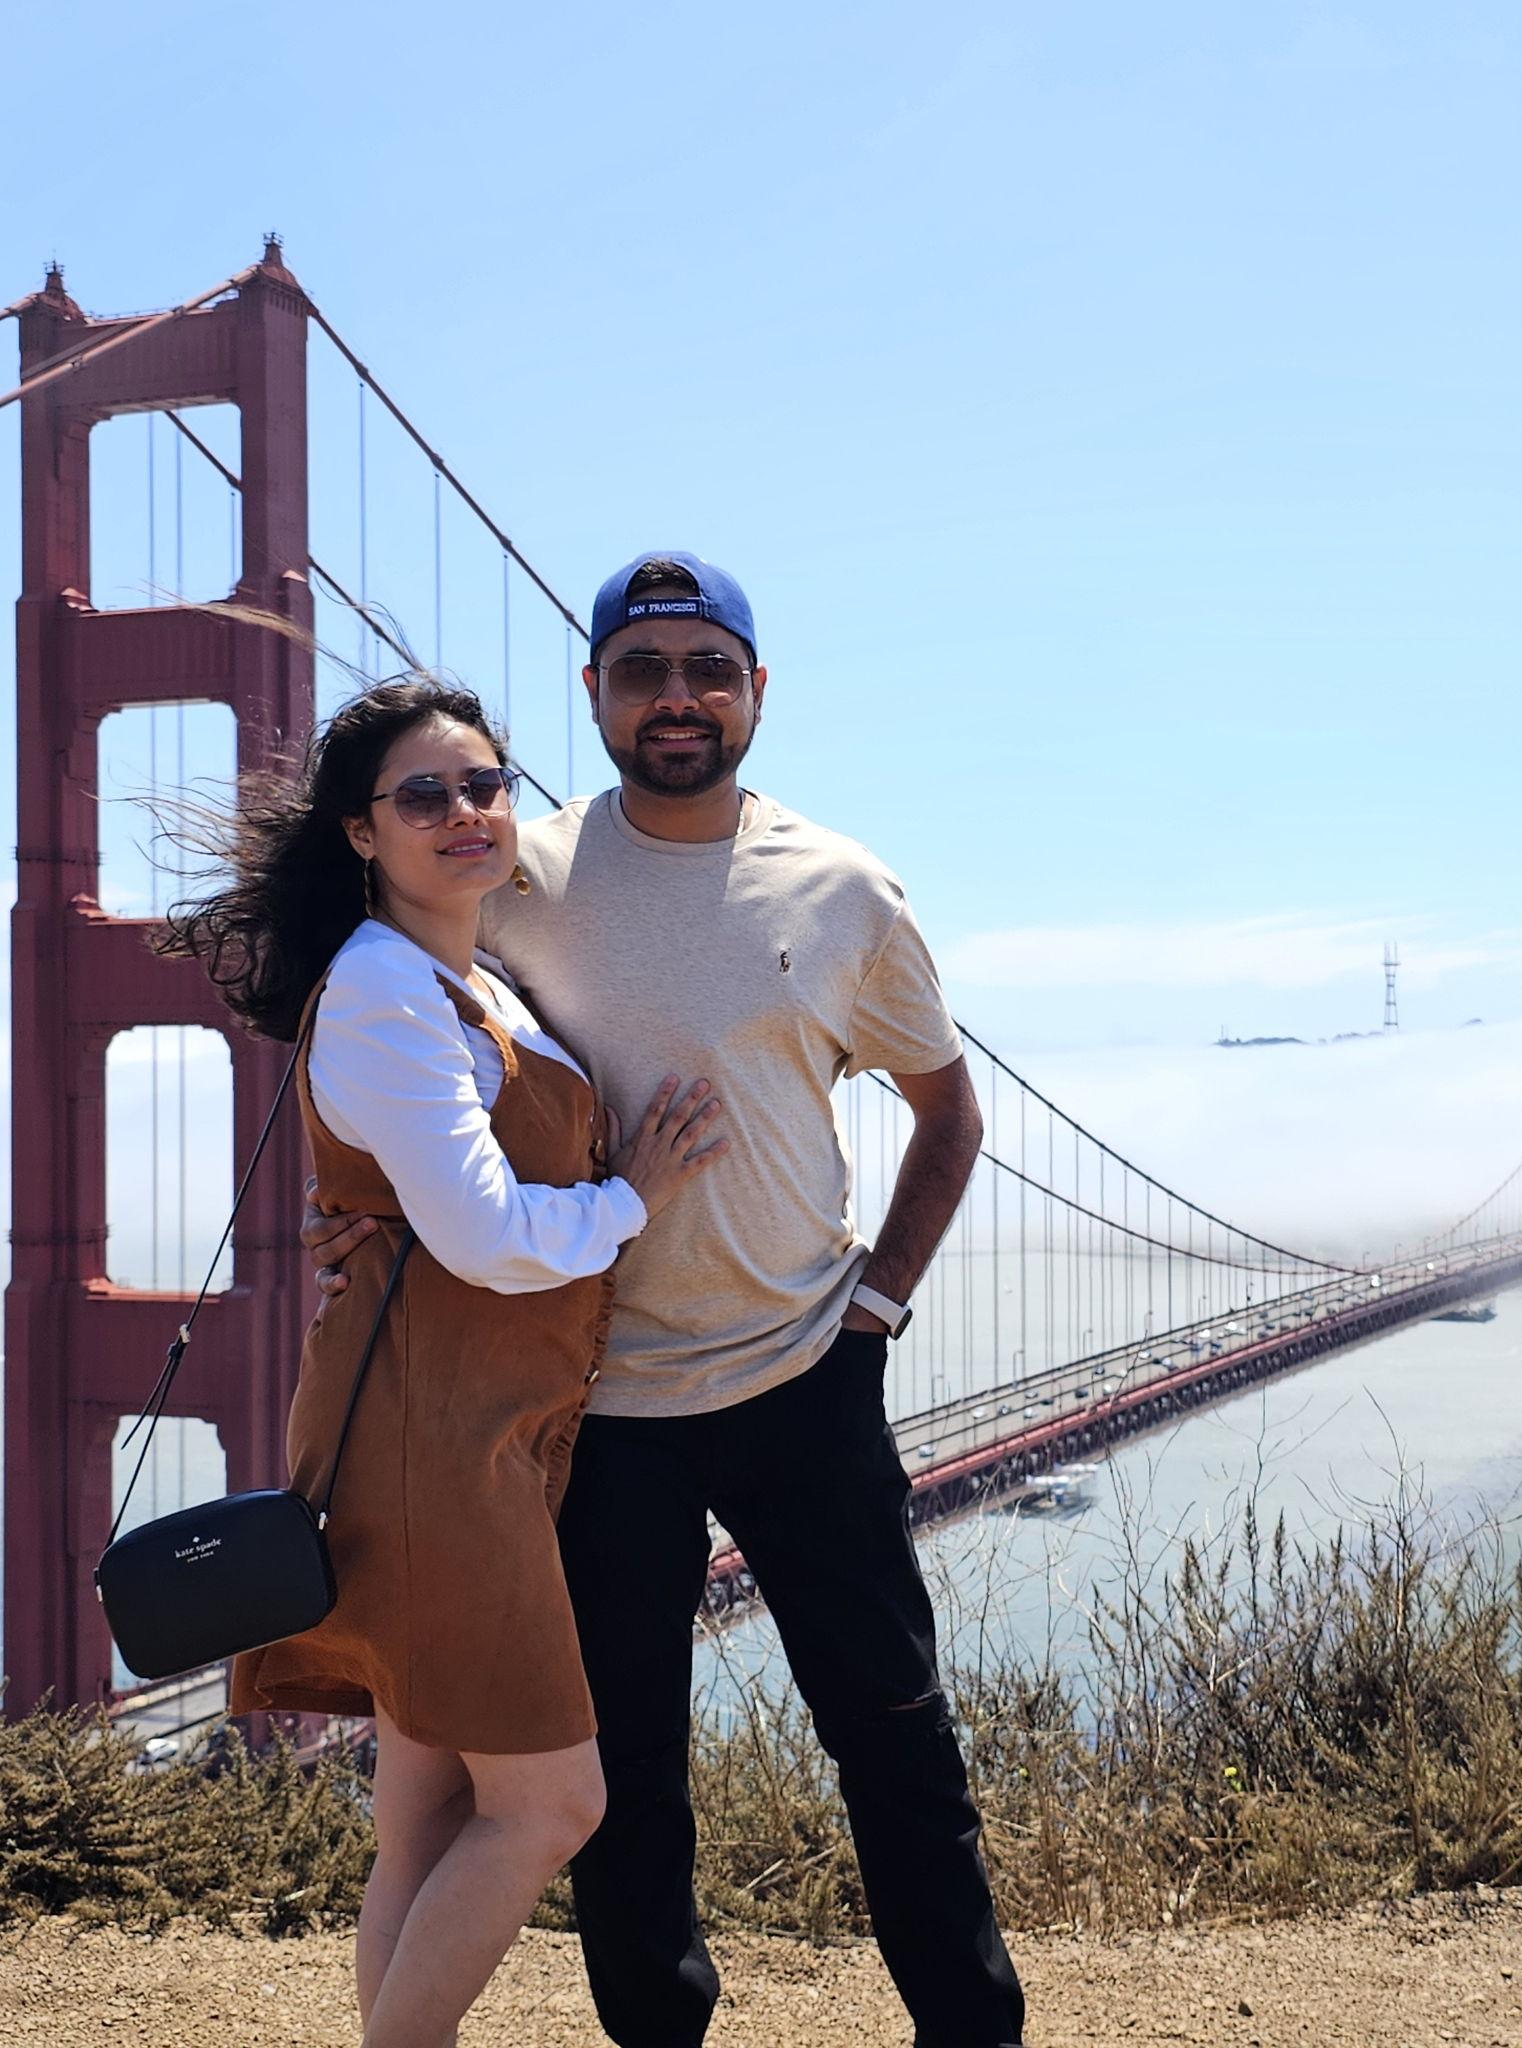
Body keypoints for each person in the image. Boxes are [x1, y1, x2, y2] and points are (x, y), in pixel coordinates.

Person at [307, 553, 1029, 2048]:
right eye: (643, 672)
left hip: (801, 1382)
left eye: (709, 668)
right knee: (626, 1787)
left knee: (896, 1745)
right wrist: (367, 1206)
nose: (678, 698)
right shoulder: (520, 873)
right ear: (594, 698)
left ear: (758, 691)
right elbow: (409, 1018)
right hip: (595, 1409)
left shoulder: (845, 889)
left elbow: (949, 1119)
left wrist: (878, 1309)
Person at [165, 676, 725, 2048]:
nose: (467, 813)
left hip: (477, 1430)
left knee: (425, 1809)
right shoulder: (381, 995)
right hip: (434, 1448)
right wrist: (634, 1197)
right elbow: (481, 1236)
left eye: (484, 785)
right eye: (425, 794)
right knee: (553, 1802)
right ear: (361, 834)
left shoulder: (463, 977)